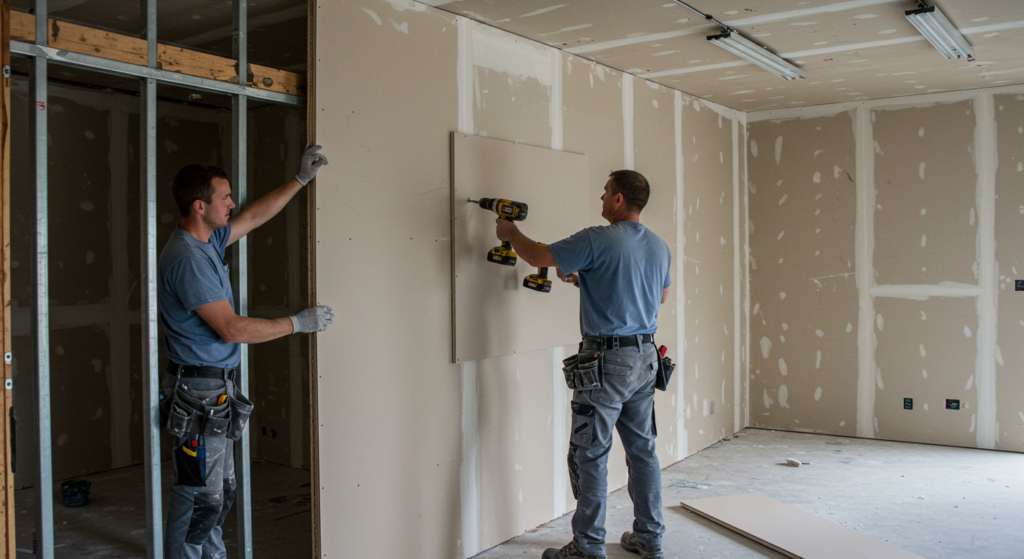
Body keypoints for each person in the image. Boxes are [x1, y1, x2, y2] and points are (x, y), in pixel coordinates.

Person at [158, 145, 334, 559]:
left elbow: (253, 217)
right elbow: (231, 328)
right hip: (197, 393)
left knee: (219, 493)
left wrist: (300, 179)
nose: (232, 204)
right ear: (200, 205)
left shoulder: (208, 241)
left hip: (215, 391)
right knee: (200, 494)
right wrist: (297, 323)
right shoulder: (188, 259)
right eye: (224, 198)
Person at [495, 170, 670, 559]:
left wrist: (510, 234)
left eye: (606, 192)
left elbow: (539, 256)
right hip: (645, 358)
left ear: (620, 199)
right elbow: (657, 297)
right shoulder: (658, 246)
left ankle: (588, 548)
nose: (602, 199)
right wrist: (586, 280)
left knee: (589, 454)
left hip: (607, 362)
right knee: (643, 451)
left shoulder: (597, 238)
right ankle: (649, 539)